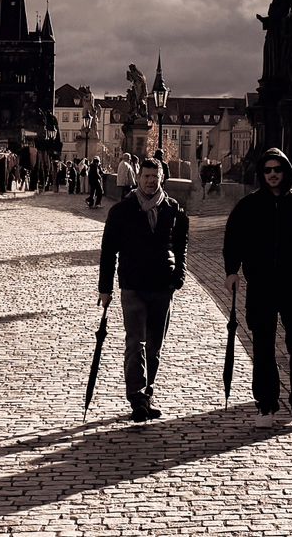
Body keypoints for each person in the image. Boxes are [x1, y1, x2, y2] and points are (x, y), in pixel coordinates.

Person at [223, 147, 292, 429]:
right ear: (261, 174)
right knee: (263, 349)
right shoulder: (248, 206)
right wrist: (231, 270)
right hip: (262, 288)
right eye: (267, 171)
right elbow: (233, 240)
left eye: (277, 170)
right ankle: (266, 405)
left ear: (286, 172)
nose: (272, 175)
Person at [98, 159, 189, 422]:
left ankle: (148, 393)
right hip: (133, 285)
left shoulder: (173, 209)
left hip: (163, 285)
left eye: (155, 176)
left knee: (155, 346)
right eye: (147, 176)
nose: (151, 180)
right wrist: (105, 288)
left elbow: (181, 246)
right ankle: (136, 396)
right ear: (138, 178)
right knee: (135, 343)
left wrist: (178, 277)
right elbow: (108, 252)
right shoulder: (122, 211)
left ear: (162, 178)